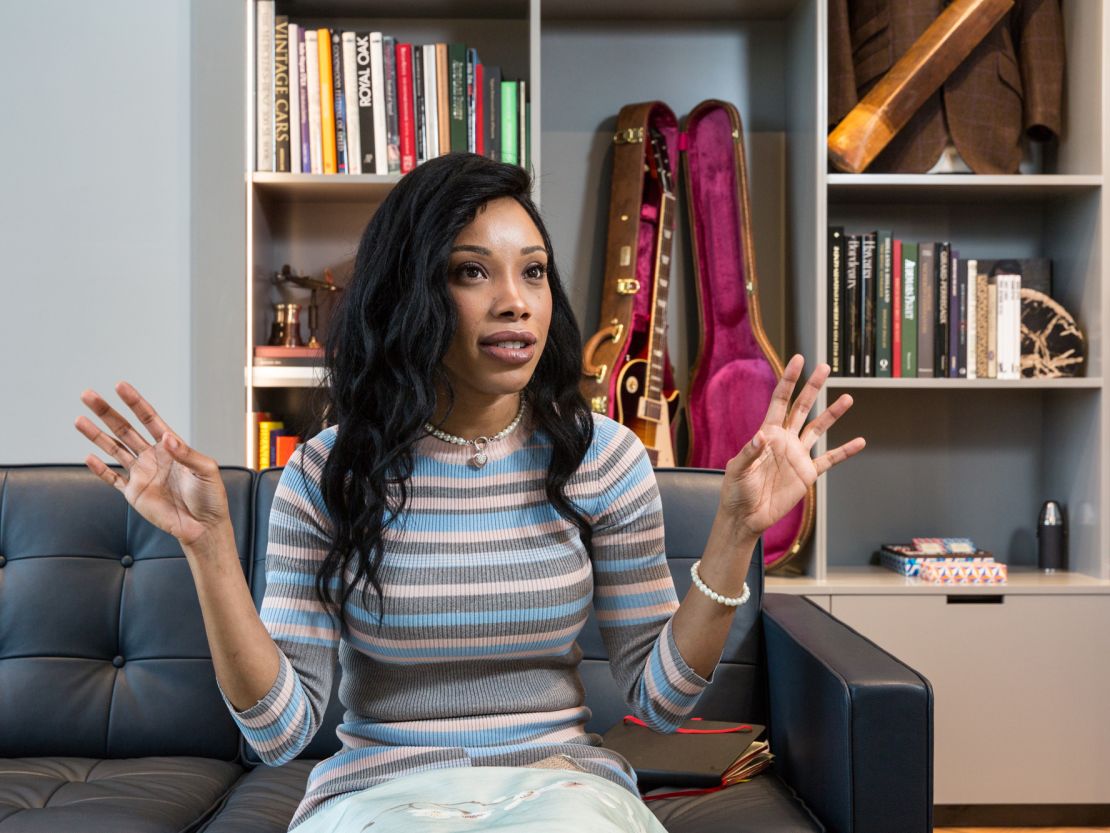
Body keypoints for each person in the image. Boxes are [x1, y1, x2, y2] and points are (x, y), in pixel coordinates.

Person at [74, 152, 864, 833]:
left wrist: (732, 533)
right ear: (413, 292)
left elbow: (658, 701)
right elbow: (280, 733)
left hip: (560, 791)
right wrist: (210, 549)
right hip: (381, 793)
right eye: (472, 270)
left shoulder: (604, 457)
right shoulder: (326, 473)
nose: (514, 300)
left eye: (533, 271)